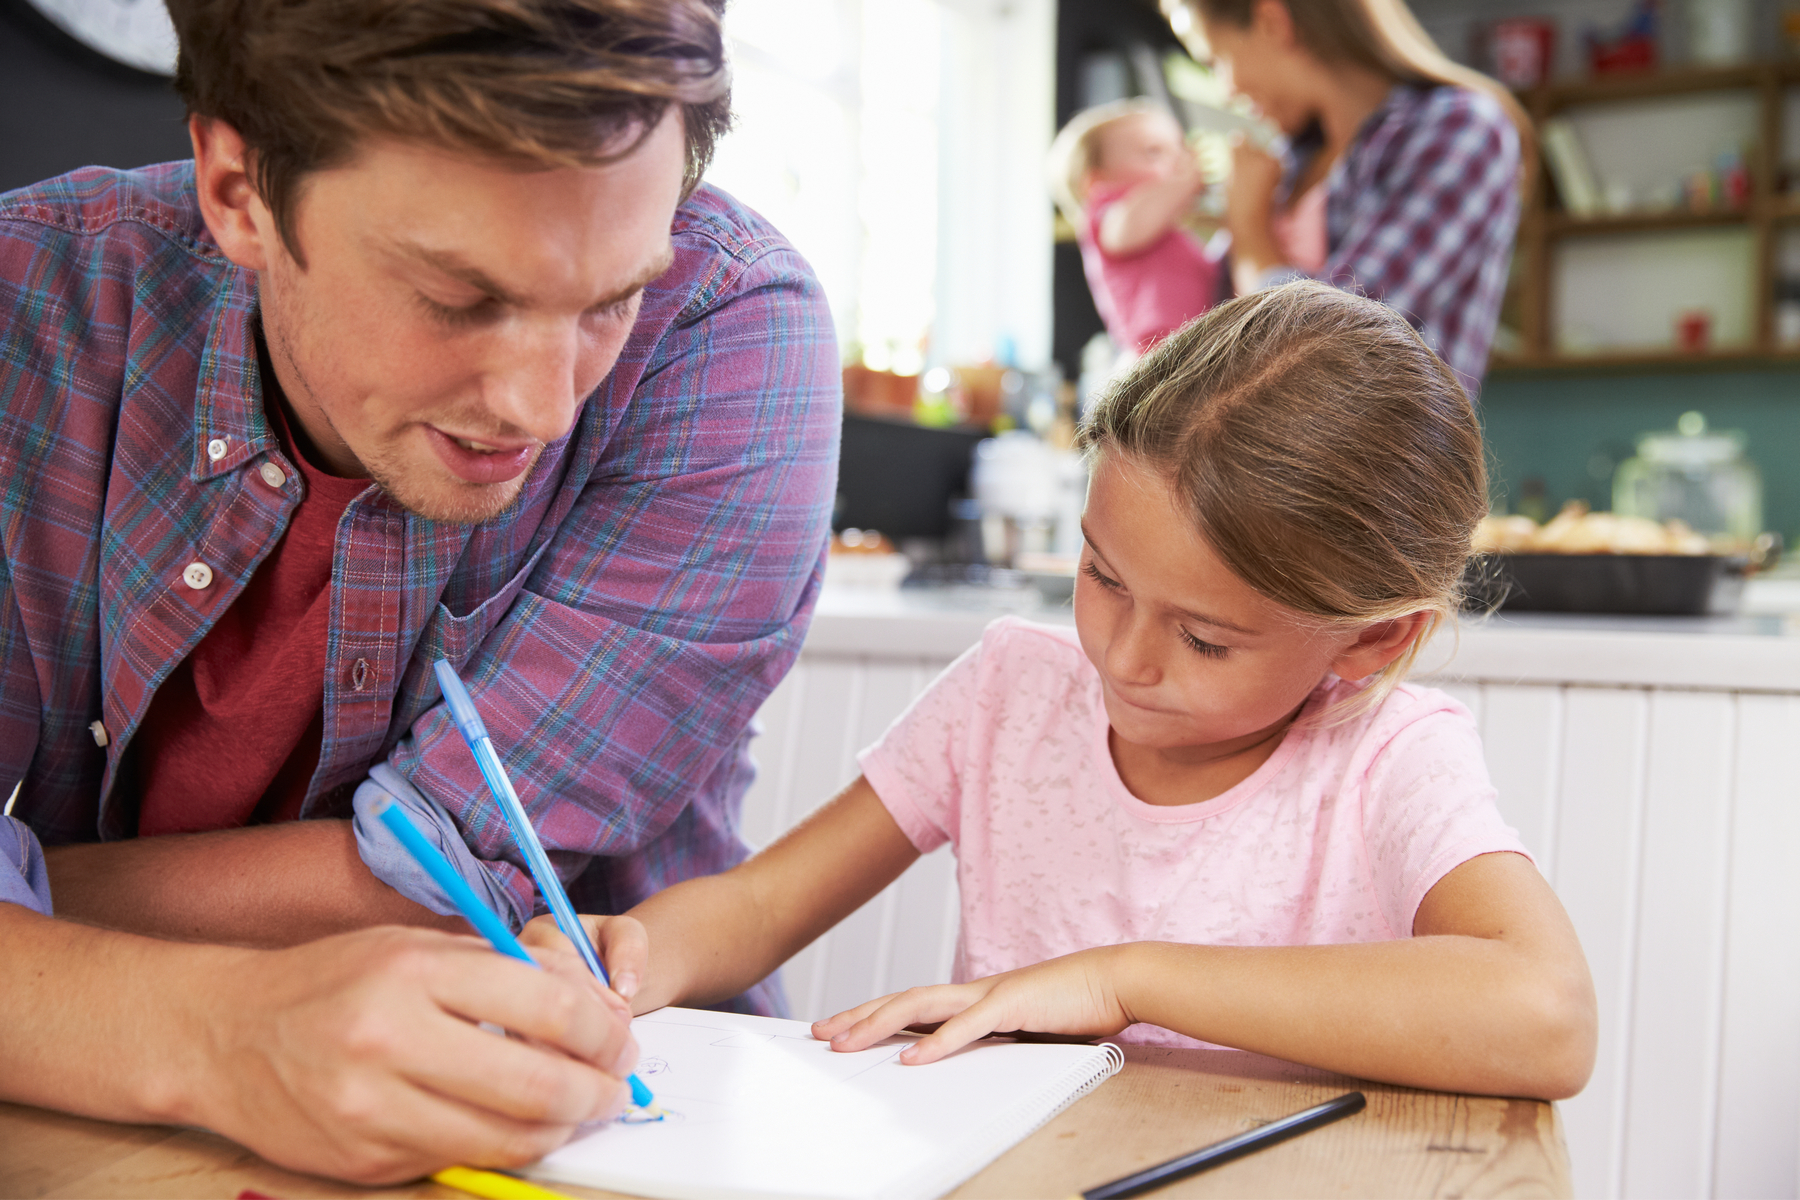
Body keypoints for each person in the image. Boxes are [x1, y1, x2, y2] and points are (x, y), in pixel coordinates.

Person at [0, 0, 838, 1183]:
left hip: (613, 1146)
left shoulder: (730, 329)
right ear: (239, 189)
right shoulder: (27, 305)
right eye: (458, 298)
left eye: (609, 299)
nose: (542, 411)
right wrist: (204, 1031)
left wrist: (29, 912)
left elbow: (442, 886)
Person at [530, 282, 1599, 1100]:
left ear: (1370, 642)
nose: (1124, 659)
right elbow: (763, 904)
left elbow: (1547, 1015)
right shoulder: (1011, 692)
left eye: (1207, 640)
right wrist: (638, 952)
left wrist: (1122, 981)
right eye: (1102, 577)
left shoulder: (1386, 756)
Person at [1184, 0, 1531, 392]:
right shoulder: (1290, 162)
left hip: (1369, 452)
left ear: (1271, 21)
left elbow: (1327, 346)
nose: (1226, 90)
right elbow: (1199, 326)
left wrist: (1249, 229)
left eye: (1215, 60)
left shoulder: (1462, 129)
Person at [1048, 99, 1226, 358]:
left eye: (1179, 149)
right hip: (1156, 355)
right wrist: (1185, 183)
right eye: (1154, 152)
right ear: (1097, 183)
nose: (1177, 162)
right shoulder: (1104, 217)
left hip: (1191, 350)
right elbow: (1133, 223)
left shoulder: (1170, 236)